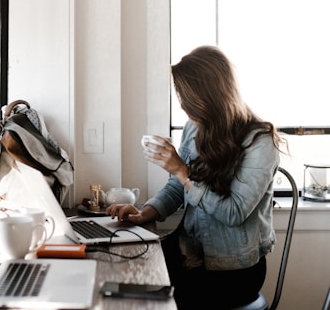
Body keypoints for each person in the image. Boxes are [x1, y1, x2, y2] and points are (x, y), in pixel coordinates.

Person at [106, 45, 285, 309]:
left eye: (186, 97)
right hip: (189, 253)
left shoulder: (260, 142)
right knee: (119, 269)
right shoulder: (194, 127)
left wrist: (181, 170)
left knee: (140, 295)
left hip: (232, 271)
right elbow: (178, 188)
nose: (182, 104)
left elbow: (233, 213)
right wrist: (146, 212)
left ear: (210, 95)